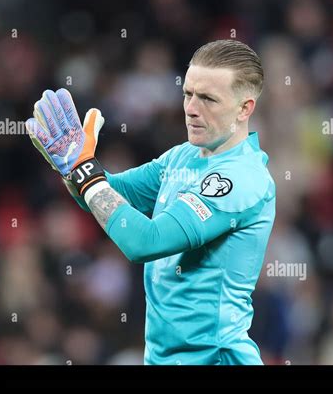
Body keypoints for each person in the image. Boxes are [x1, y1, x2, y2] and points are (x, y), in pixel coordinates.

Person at [25, 39, 276, 365]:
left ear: (245, 108)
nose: (191, 108)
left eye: (208, 99)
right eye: (188, 93)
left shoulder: (241, 179)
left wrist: (86, 172)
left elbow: (145, 241)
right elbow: (105, 195)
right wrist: (73, 166)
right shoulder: (181, 157)